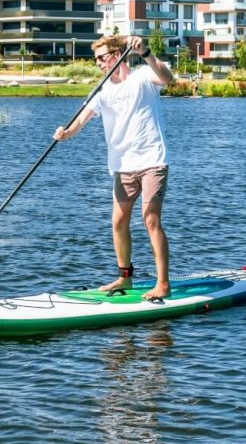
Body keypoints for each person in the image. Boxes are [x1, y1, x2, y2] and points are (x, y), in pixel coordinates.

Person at [54, 34, 174, 301]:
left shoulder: (143, 76)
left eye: (102, 57)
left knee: (150, 220)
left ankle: (163, 283)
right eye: (95, 58)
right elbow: (80, 123)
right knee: (118, 221)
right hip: (123, 166)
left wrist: (146, 52)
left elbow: (167, 78)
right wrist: (66, 133)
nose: (98, 63)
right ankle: (125, 277)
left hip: (152, 160)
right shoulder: (102, 91)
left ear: (119, 54)